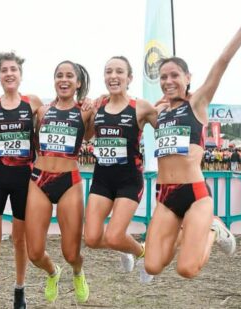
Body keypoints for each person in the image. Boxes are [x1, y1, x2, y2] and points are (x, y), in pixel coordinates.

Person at [144, 0, 241, 279]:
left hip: (195, 194)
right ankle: (185, 231)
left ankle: (213, 228)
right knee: (152, 265)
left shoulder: (197, 103)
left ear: (188, 78)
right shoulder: (159, 111)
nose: (168, 81)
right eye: (163, 77)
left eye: (174, 75)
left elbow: (222, 61)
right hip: (165, 196)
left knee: (186, 269)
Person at [0, 52, 42, 309]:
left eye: (14, 69)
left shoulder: (32, 102)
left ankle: (19, 289)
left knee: (19, 238)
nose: (9, 73)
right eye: (4, 70)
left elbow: (57, 114)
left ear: (20, 74)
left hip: (25, 177)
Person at [83, 56, 157, 283]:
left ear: (129, 78)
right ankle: (127, 249)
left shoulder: (140, 107)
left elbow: (165, 127)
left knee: (115, 235)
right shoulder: (99, 106)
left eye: (119, 72)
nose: (113, 76)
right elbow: (86, 136)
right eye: (108, 72)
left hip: (129, 180)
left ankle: (144, 253)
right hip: (102, 179)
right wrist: (86, 112)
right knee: (92, 239)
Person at [25, 60, 92, 304]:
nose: (64, 80)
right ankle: (53, 272)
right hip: (39, 180)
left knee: (71, 252)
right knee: (33, 252)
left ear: (78, 83)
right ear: (54, 81)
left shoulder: (85, 111)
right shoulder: (42, 111)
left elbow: (100, 127)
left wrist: (96, 103)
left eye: (69, 76)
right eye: (59, 76)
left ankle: (77, 271)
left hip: (69, 182)